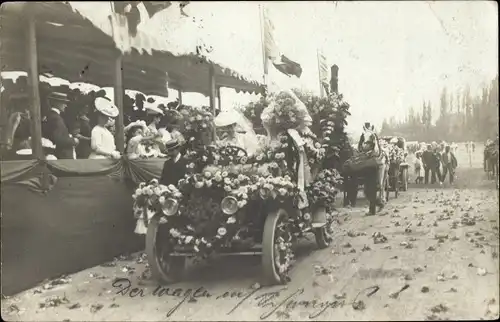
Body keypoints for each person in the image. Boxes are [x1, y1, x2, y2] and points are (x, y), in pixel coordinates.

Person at [42, 92, 79, 159]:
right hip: (61, 155)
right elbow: (59, 139)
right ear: (57, 103)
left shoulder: (49, 115)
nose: (65, 105)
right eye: (63, 103)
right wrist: (74, 140)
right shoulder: (55, 118)